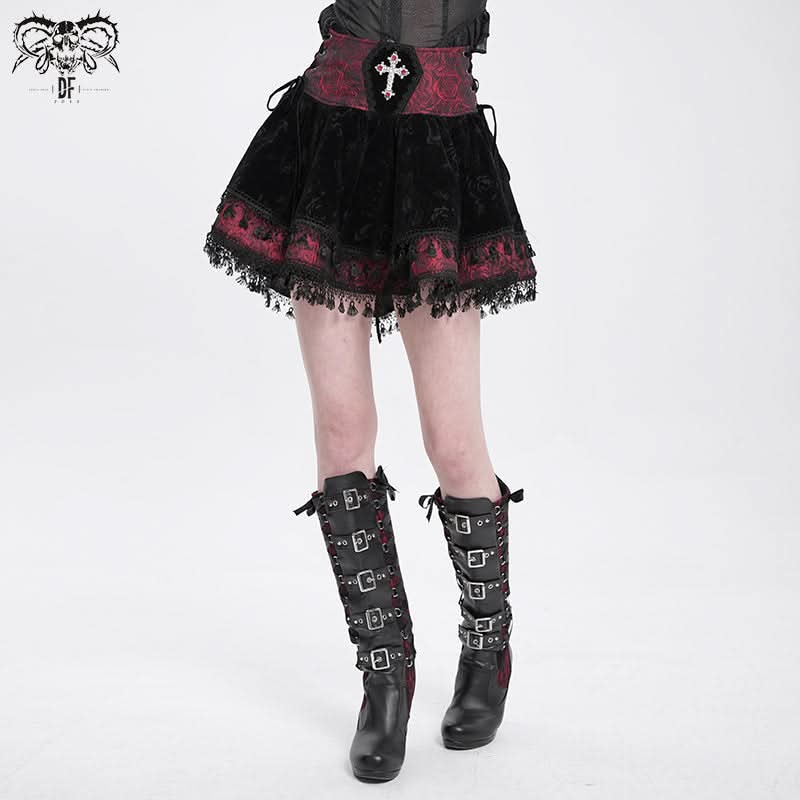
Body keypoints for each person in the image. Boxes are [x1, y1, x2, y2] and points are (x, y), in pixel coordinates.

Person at [203, 0, 533, 783]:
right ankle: (386, 675)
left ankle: (487, 646)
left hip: (436, 152)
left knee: (453, 439)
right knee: (343, 430)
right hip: (334, 141)